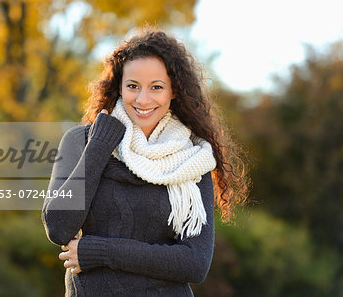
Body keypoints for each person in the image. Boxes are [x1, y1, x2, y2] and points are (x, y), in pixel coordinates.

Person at [42, 26, 249, 296]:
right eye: (132, 86)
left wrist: (100, 251)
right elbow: (58, 227)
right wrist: (101, 145)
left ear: (174, 91)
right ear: (119, 87)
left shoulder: (192, 159)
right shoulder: (82, 141)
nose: (143, 99)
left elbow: (195, 264)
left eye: (156, 87)